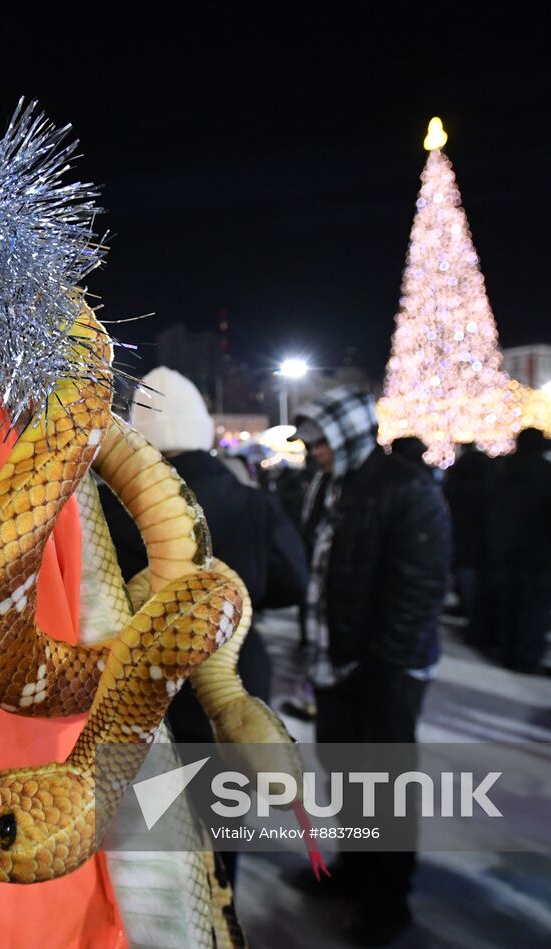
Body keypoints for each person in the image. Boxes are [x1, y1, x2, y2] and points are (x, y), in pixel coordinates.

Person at [99, 366, 309, 882]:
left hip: (144, 687)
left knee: (150, 837)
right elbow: (294, 582)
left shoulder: (109, 505)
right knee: (221, 826)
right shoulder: (253, 502)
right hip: (232, 685)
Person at [283, 386, 451, 947]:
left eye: (321, 441)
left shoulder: (405, 488)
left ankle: (389, 899)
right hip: (335, 660)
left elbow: (418, 588)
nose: (314, 451)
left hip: (384, 668)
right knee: (345, 769)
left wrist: (382, 665)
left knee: (387, 781)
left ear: (349, 433)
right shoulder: (328, 484)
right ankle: (354, 868)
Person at [484, 428, 551, 673]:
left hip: (507, 549)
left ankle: (510, 650)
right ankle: (528, 655)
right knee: (535, 609)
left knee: (511, 603)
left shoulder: (503, 470)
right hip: (541, 553)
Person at [442, 444, 494, 647]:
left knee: (466, 580)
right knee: (473, 584)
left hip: (460, 542)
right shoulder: (487, 489)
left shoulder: (456, 486)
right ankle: (474, 622)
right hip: (477, 545)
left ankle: (471, 618)